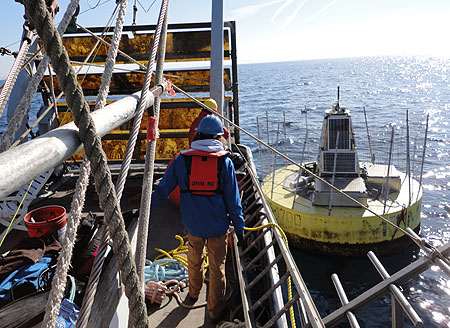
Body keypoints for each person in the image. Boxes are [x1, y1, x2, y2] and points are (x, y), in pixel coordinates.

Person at [151, 115, 244, 324]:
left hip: (193, 225)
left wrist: (144, 208)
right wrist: (239, 227)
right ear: (219, 137)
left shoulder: (182, 160)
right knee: (217, 268)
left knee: (194, 261)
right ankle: (215, 312)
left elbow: (162, 190)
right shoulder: (226, 162)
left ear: (198, 134)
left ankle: (193, 294)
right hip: (218, 227)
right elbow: (234, 201)